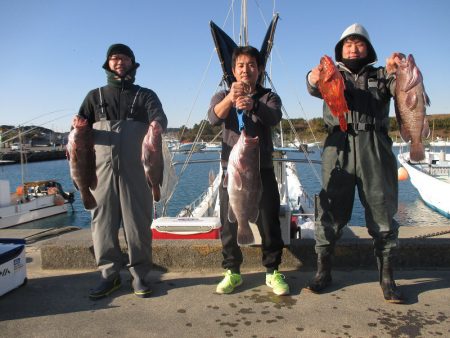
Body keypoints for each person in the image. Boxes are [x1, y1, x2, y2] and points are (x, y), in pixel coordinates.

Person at [305, 23, 404, 303]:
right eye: (347, 43)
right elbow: (312, 85)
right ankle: (323, 271)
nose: (353, 47)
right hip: (338, 146)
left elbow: (400, 89)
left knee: (382, 212)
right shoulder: (330, 73)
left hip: (375, 148)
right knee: (329, 212)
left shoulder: (382, 75)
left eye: (358, 42)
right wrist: (313, 76)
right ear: (340, 49)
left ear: (368, 48)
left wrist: (397, 70)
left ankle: (387, 278)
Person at [77, 43, 167, 299]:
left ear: (132, 63)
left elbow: (159, 115)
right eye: (114, 58)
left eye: (124, 58)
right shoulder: (94, 96)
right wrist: (77, 122)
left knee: (137, 223)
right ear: (108, 64)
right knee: (102, 224)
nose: (119, 62)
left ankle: (140, 276)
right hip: (100, 170)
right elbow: (81, 121)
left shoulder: (145, 94)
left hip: (136, 168)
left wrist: (156, 124)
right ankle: (109, 275)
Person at [208, 46, 290, 296]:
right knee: (229, 223)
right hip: (231, 172)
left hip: (261, 169)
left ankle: (272, 271)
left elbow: (274, 117)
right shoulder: (222, 94)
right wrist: (230, 100)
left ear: (260, 69)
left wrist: (253, 105)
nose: (246, 70)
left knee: (269, 221)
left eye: (252, 65)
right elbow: (213, 118)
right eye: (241, 65)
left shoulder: (268, 96)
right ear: (233, 70)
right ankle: (232, 271)